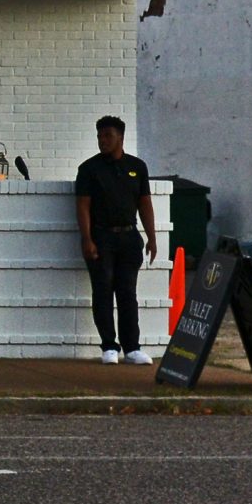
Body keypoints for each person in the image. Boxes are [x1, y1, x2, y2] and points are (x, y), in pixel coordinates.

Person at [75, 115, 159, 365]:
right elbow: (83, 206)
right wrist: (87, 238)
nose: (103, 141)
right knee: (103, 290)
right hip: (102, 236)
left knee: (127, 292)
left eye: (108, 136)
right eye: (99, 136)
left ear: (120, 137)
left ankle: (132, 347)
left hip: (129, 235)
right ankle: (109, 345)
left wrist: (152, 237)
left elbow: (145, 204)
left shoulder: (137, 167)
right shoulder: (89, 169)